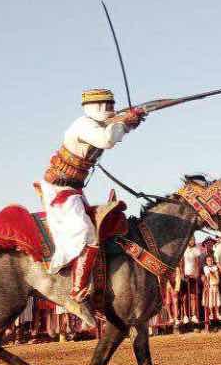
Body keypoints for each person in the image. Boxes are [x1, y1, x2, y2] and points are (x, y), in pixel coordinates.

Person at [37, 88, 145, 323]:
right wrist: (125, 122)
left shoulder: (95, 124)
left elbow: (110, 133)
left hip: (73, 189)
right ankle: (77, 291)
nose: (111, 110)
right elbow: (106, 139)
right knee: (87, 234)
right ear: (96, 107)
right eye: (108, 106)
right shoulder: (83, 125)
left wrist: (128, 125)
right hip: (60, 190)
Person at [201, 253, 221, 330]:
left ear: (213, 260)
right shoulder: (205, 268)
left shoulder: (215, 267)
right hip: (209, 286)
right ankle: (211, 313)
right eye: (208, 260)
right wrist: (212, 274)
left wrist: (213, 274)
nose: (209, 261)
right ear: (206, 261)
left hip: (215, 285)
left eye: (211, 260)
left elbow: (216, 277)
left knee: (216, 300)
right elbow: (208, 275)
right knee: (210, 301)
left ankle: (217, 312)